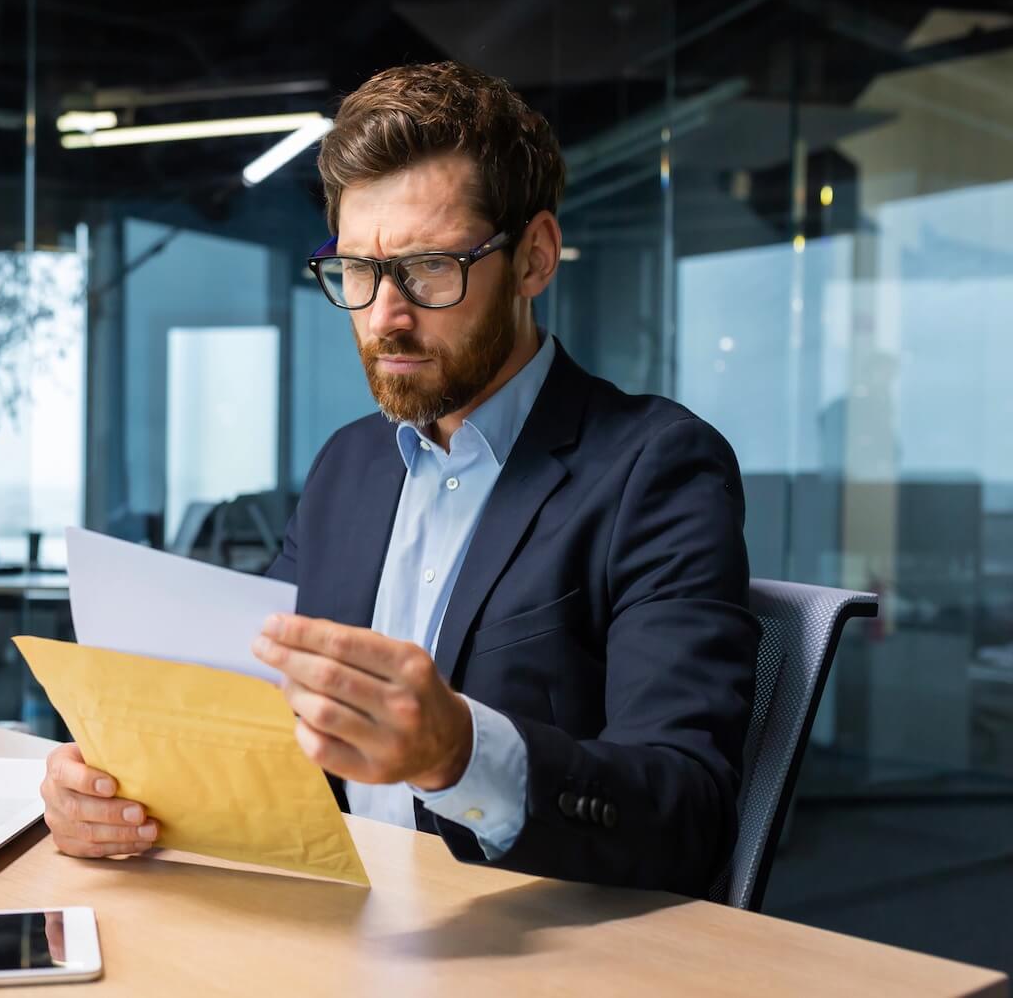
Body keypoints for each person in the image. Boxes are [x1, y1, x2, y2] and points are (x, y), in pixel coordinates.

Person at [39, 61, 759, 896]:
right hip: (343, 916)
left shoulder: (656, 468)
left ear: (534, 258)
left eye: (428, 268)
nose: (386, 315)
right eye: (356, 270)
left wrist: (461, 754)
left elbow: (690, 814)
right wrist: (113, 788)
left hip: (537, 949)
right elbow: (262, 712)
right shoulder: (349, 464)